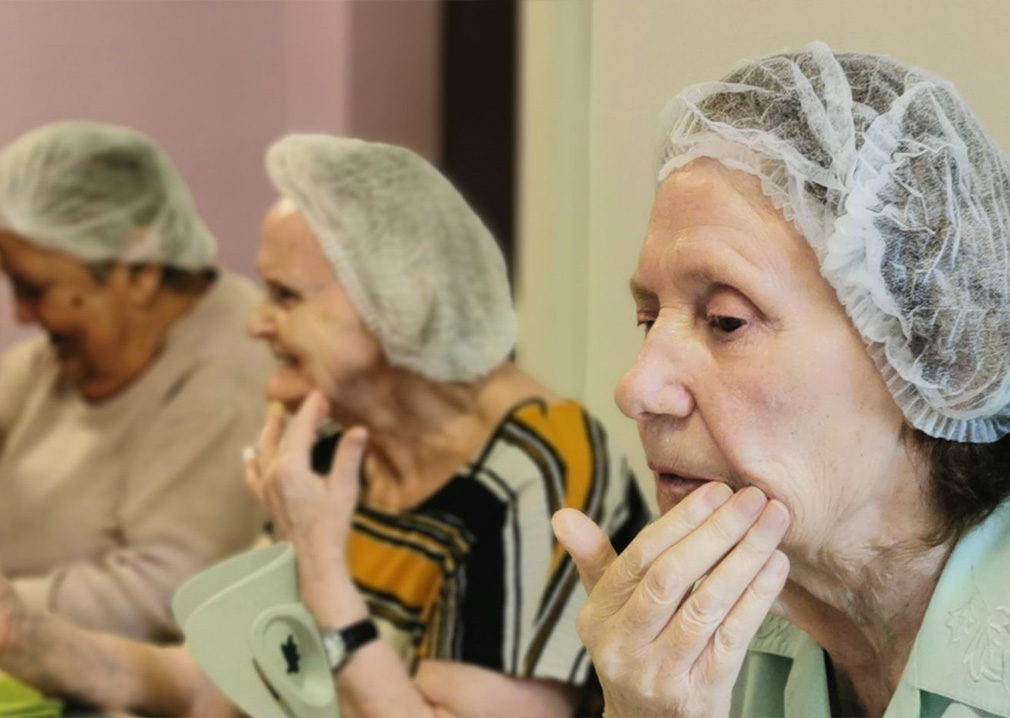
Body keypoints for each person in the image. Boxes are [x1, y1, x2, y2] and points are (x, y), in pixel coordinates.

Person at [0, 135, 649, 717]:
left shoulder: (536, 470)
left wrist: (319, 568)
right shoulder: (335, 443)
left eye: (285, 296)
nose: (254, 323)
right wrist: (25, 634)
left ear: (400, 304)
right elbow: (217, 684)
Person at [552, 42, 1010, 717]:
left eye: (725, 320)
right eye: (647, 317)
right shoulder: (711, 631)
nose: (636, 388)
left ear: (926, 348)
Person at [0, 121, 271, 641]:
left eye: (35, 289)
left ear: (141, 272)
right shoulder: (54, 359)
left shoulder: (230, 378)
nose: (20, 313)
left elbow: (167, 594)